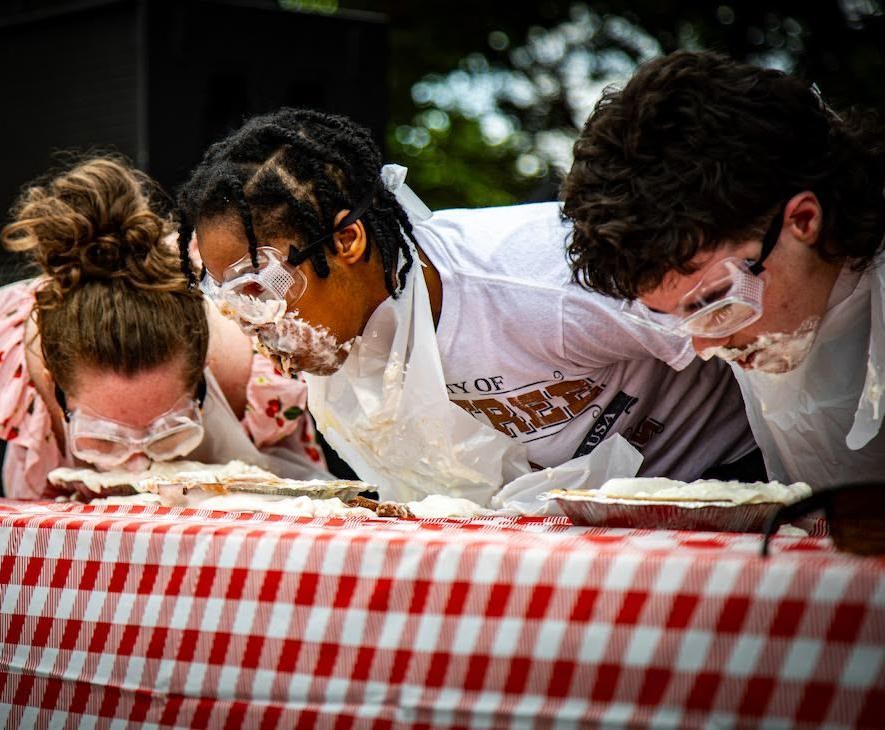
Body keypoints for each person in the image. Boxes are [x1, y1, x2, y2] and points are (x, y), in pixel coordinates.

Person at [175, 108, 760, 506]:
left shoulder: (544, 285)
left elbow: (748, 326)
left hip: (735, 483)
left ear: (346, 242)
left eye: (258, 290)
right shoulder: (349, 338)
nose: (256, 329)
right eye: (227, 302)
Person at [560, 50, 885, 486]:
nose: (706, 347)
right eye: (677, 316)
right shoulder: (775, 301)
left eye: (715, 302)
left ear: (804, 221)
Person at [0, 157, 330, 499]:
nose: (138, 468)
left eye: (170, 435)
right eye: (103, 440)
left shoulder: (252, 351)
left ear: (202, 368)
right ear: (51, 383)